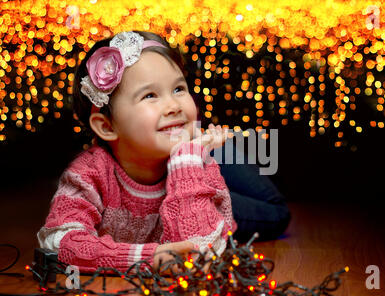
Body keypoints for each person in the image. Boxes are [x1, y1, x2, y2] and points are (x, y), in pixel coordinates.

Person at [37, 31, 288, 274]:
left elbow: (206, 250)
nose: (173, 105)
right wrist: (147, 258)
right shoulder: (89, 174)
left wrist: (187, 160)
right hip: (184, 148)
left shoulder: (196, 161)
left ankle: (214, 143)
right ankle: (204, 142)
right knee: (273, 213)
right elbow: (61, 242)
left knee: (277, 213)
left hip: (198, 154)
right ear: (107, 126)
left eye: (179, 89)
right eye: (150, 95)